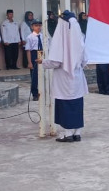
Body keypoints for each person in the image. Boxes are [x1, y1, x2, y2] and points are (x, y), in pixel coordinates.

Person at [38, 10, 88, 142]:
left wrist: (42, 62)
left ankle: (67, 134)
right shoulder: (80, 38)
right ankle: (77, 133)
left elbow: (56, 62)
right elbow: (84, 60)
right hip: (77, 78)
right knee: (76, 105)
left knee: (65, 105)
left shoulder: (60, 39)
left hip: (64, 79)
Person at [24, 19, 43, 101]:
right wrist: (29, 62)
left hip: (41, 53)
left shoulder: (42, 36)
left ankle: (42, 92)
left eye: (39, 25)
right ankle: (35, 93)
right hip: (34, 54)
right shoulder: (30, 37)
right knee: (34, 76)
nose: (38, 27)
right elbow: (28, 50)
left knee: (43, 74)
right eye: (36, 26)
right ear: (32, 27)